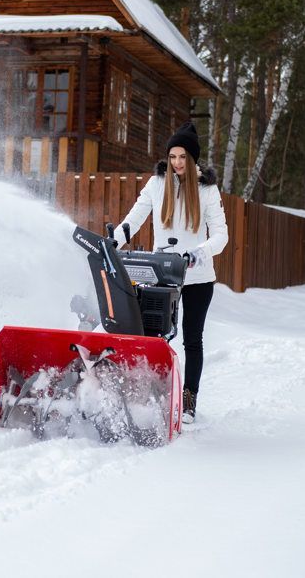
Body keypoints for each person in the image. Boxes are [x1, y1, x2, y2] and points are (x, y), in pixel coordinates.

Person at [114, 121, 228, 423]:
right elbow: (134, 219)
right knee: (155, 337)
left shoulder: (207, 190)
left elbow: (221, 236)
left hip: (197, 278)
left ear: (193, 160)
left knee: (192, 339)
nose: (177, 162)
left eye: (183, 157)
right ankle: (150, 393)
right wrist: (114, 241)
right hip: (161, 275)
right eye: (173, 156)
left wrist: (198, 253)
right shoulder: (156, 184)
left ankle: (189, 399)